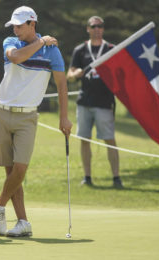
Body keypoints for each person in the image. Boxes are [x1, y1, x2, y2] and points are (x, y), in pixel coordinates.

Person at [0, 6, 72, 237]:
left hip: (27, 116)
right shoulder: (10, 42)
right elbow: (16, 58)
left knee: (20, 169)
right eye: (13, 25)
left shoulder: (52, 52)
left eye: (19, 25)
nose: (15, 29)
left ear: (32, 24)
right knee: (10, 174)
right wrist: (42, 42)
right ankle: (23, 221)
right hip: (2, 112)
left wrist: (63, 117)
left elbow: (62, 85)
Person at [66, 16, 123, 189]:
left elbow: (121, 73)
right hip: (85, 102)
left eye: (100, 26)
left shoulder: (111, 49)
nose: (97, 29)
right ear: (88, 29)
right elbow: (69, 74)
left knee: (109, 140)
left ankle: (116, 178)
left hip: (105, 103)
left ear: (103, 29)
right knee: (84, 140)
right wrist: (75, 74)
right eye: (94, 26)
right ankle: (87, 177)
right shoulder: (81, 50)